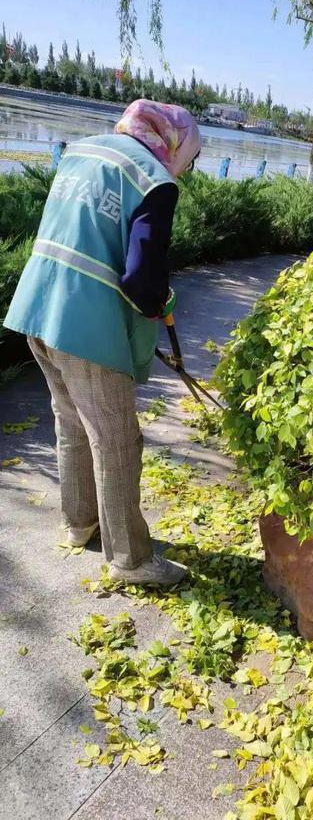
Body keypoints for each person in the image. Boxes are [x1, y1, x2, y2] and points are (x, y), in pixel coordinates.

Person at [3, 100, 201, 587]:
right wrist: (159, 303)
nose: (185, 167)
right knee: (115, 439)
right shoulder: (154, 179)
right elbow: (140, 278)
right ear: (174, 142)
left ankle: (79, 523)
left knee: (70, 420)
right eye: (189, 158)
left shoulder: (82, 151)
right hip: (83, 326)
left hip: (36, 306)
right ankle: (131, 560)